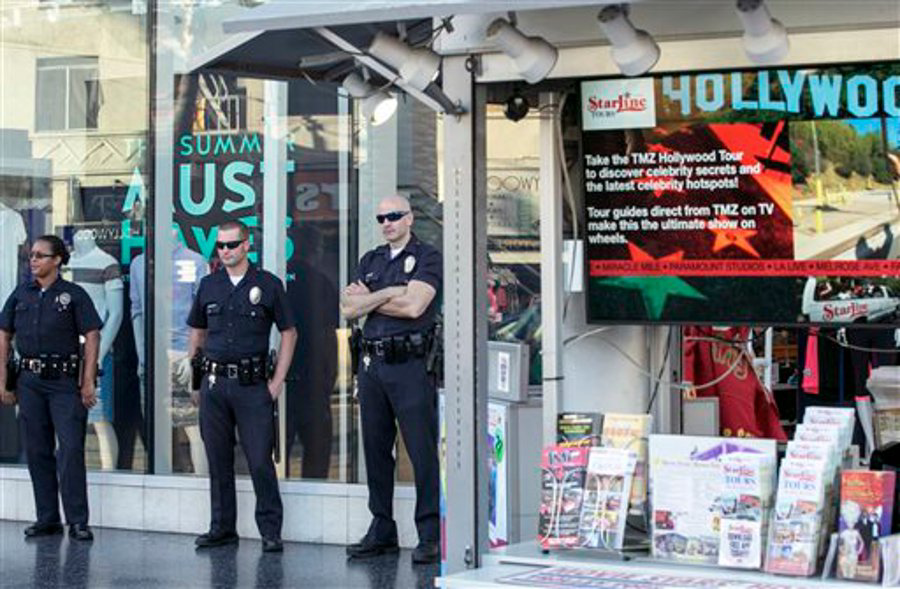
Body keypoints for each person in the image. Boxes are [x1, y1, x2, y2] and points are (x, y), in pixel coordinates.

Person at [340, 195, 442, 564]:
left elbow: (416, 306)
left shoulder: (428, 257)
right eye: (381, 217)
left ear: (410, 218)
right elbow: (349, 308)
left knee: (421, 451)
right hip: (372, 364)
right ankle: (381, 528)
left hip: (411, 365)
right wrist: (391, 292)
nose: (387, 223)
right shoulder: (371, 259)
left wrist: (372, 296)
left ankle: (430, 533)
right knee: (376, 449)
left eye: (394, 216)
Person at [187, 220, 296, 553]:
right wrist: (195, 381)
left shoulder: (268, 284)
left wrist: (276, 383)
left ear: (247, 245)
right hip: (215, 384)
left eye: (231, 245)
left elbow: (289, 333)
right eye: (220, 246)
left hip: (252, 387)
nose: (225, 251)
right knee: (217, 460)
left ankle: (270, 531)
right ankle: (221, 528)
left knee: (260, 460)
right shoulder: (208, 285)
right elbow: (197, 333)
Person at [0, 235, 102, 541]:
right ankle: (47, 518)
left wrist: (87, 380)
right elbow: (4, 334)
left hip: (64, 383)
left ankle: (78, 521)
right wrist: (4, 380)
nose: (33, 260)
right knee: (37, 450)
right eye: (31, 255)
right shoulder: (21, 294)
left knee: (70, 449)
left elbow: (92, 335)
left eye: (40, 255)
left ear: (57, 259)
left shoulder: (73, 295)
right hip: (29, 381)